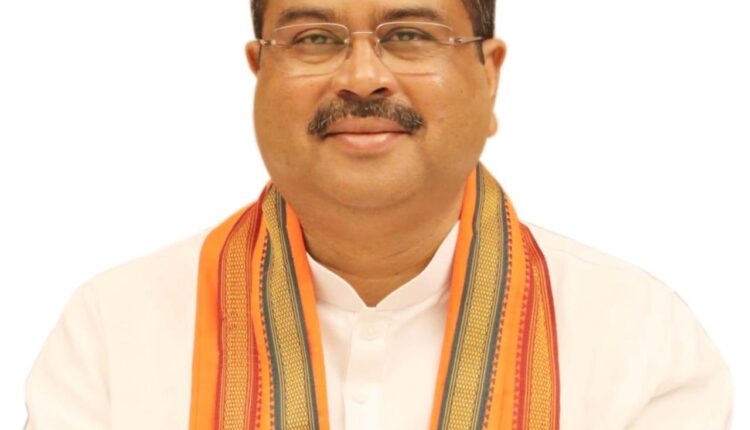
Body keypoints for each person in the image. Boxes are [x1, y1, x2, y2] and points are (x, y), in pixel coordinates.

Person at [24, 0, 733, 428]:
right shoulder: (115, 327)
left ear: (489, 75)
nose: (362, 78)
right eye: (314, 38)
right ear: (258, 70)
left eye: (410, 34)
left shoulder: (637, 334)